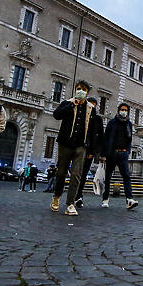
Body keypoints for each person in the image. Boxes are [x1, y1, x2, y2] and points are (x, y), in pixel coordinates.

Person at [51, 80, 99, 216]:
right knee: (61, 172)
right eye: (78, 89)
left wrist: (90, 148)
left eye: (83, 89)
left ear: (87, 92)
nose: (80, 91)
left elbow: (92, 130)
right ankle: (56, 196)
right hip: (65, 143)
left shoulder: (91, 108)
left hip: (80, 146)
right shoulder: (68, 103)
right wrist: (72, 104)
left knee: (76, 175)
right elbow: (56, 115)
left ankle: (70, 203)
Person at [100, 102, 137, 209]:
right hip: (111, 153)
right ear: (118, 110)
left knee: (126, 176)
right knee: (108, 177)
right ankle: (105, 199)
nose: (124, 112)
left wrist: (128, 151)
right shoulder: (112, 123)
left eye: (126, 110)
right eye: (122, 109)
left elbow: (129, 139)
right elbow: (106, 138)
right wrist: (103, 154)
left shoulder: (129, 124)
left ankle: (129, 199)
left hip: (123, 153)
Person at [74, 97, 104, 207]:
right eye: (90, 104)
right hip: (78, 148)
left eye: (94, 105)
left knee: (83, 174)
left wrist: (96, 152)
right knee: (76, 173)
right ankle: (74, 195)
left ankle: (79, 196)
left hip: (89, 151)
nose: (92, 107)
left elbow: (100, 137)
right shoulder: (81, 115)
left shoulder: (98, 119)